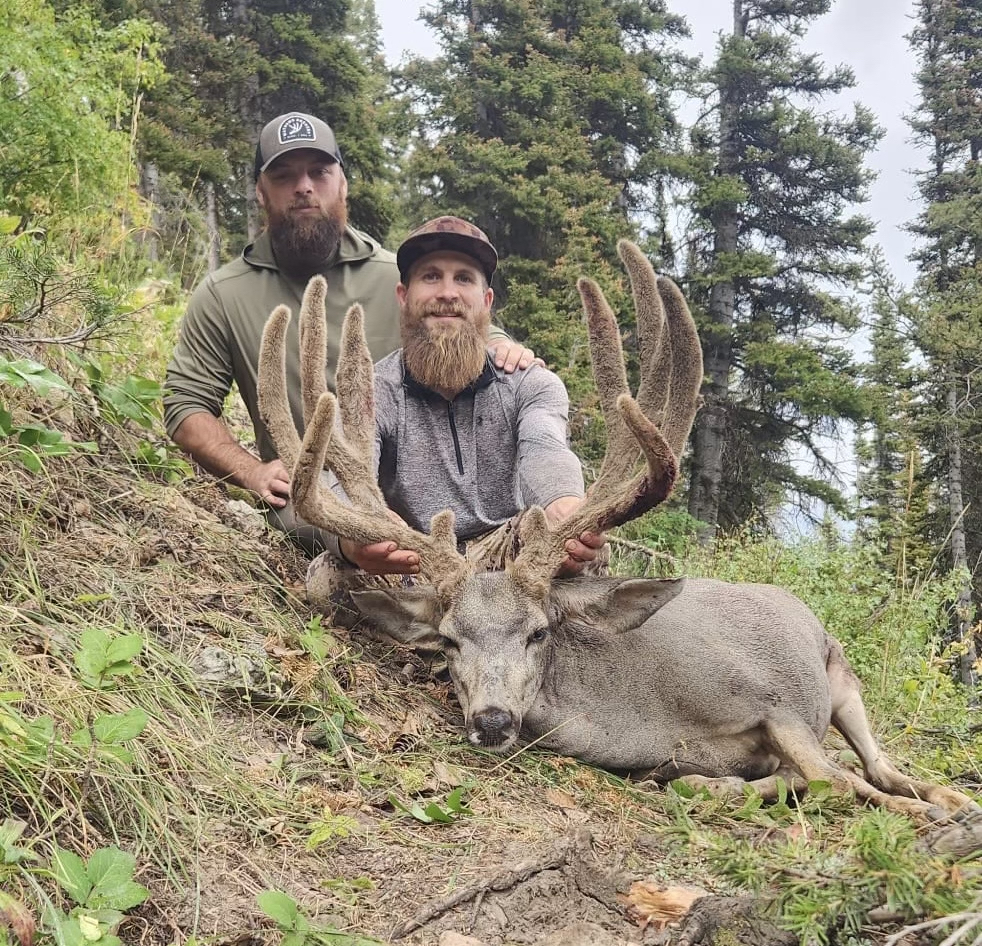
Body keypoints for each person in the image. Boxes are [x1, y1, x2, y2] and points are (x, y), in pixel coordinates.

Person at [163, 111, 536, 554]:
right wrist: (250, 470)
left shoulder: (394, 276)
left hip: (421, 497)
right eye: (284, 175)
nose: (304, 187)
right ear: (261, 194)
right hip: (317, 505)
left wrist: (503, 347)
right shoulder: (223, 294)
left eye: (319, 172)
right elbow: (186, 406)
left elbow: (470, 327)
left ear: (343, 185)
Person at [307, 215, 606, 599]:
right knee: (327, 578)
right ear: (404, 296)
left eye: (463, 278)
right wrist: (356, 536)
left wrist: (562, 504)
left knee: (582, 546)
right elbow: (348, 476)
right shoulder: (371, 391)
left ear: (486, 301)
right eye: (431, 277)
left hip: (506, 555)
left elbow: (545, 448)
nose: (447, 293)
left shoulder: (529, 384)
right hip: (413, 559)